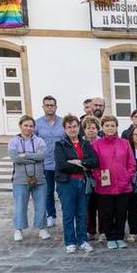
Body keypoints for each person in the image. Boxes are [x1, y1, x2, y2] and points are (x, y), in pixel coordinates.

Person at [55, 115, 98, 254]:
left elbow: (94, 162)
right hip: (66, 183)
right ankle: (70, 242)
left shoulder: (85, 144)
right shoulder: (60, 144)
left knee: (82, 213)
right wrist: (83, 165)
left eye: (74, 126)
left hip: (83, 182)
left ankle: (82, 240)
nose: (72, 129)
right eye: (69, 127)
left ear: (79, 127)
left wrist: (78, 162)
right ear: (64, 129)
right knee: (68, 213)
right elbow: (62, 165)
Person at [92, 116, 136, 250]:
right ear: (102, 128)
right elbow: (94, 165)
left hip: (123, 186)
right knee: (107, 213)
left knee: (121, 213)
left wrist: (126, 178)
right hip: (104, 186)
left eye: (112, 125)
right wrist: (100, 177)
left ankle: (119, 236)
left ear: (117, 127)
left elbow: (131, 163)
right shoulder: (96, 144)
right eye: (107, 126)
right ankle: (110, 237)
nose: (110, 128)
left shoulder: (125, 143)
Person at [9, 115, 50, 242]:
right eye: (26, 125)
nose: (28, 128)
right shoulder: (13, 141)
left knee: (41, 204)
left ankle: (41, 228)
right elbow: (15, 158)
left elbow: (42, 155)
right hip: (20, 179)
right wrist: (33, 156)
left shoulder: (39, 141)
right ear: (20, 126)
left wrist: (24, 155)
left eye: (31, 126)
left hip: (39, 179)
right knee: (20, 205)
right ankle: (18, 229)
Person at [35, 95, 64, 229]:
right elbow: (33, 142)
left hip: (61, 164)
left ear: (56, 107)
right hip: (45, 164)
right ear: (43, 107)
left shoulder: (63, 122)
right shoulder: (37, 124)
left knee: (63, 191)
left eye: (52, 105)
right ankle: (51, 215)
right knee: (48, 191)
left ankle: (67, 214)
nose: (50, 107)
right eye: (47, 105)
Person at [82, 116, 103, 241]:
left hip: (100, 176)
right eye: (88, 128)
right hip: (86, 177)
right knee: (88, 206)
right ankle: (90, 231)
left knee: (101, 205)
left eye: (94, 128)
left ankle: (103, 231)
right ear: (84, 129)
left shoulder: (101, 141)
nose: (91, 130)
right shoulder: (81, 142)